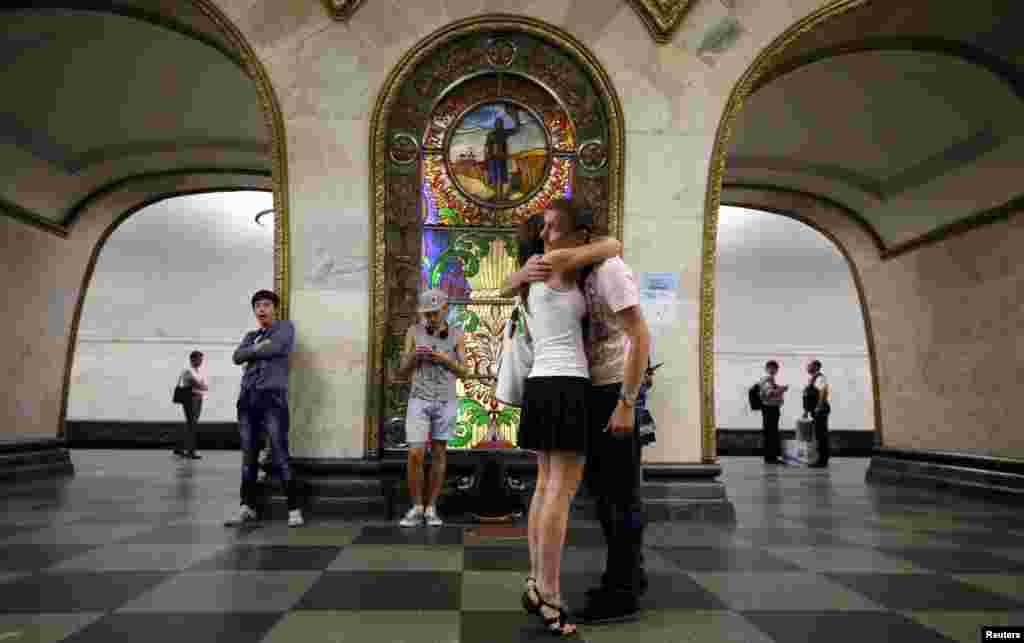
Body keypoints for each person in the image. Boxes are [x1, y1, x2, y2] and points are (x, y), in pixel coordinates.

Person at [502, 199, 622, 637]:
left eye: (554, 226)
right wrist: (582, 237)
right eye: (545, 227)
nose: (546, 233)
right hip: (566, 384)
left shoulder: (535, 269)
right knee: (560, 493)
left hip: (541, 385)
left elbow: (503, 287)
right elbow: (615, 244)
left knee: (544, 487)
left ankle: (536, 582)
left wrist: (516, 275)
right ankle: (550, 597)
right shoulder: (556, 260)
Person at [230, 289, 304, 527]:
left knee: (280, 453)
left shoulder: (285, 328)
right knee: (248, 455)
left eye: (266, 305)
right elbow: (236, 356)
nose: (261, 309)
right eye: (258, 306)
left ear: (274, 308)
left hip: (272, 397)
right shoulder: (251, 335)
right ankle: (247, 506)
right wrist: (257, 349)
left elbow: (277, 348)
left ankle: (293, 508)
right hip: (247, 397)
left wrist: (253, 352)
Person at [395, 289, 467, 527]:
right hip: (419, 398)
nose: (431, 318)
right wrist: (414, 357)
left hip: (446, 399)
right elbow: (402, 372)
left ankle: (431, 507)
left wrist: (444, 359)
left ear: (445, 309)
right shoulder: (413, 332)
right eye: (427, 314)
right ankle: (416, 506)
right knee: (415, 452)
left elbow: (464, 373)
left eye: (435, 313)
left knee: (438, 452)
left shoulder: (456, 334)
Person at [174, 351, 207, 460]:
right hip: (190, 398)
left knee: (191, 424)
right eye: (199, 359)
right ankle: (190, 451)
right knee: (192, 424)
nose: (201, 361)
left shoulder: (199, 371)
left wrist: (201, 385)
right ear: (192, 359)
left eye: (201, 359)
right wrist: (201, 385)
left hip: (198, 398)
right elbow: (196, 384)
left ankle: (181, 448)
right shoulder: (188, 370)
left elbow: (203, 385)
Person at [759, 360, 789, 464]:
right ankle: (770, 458)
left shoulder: (771, 380)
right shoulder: (766, 379)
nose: (773, 370)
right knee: (770, 433)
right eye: (771, 368)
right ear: (766, 369)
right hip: (769, 409)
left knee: (772, 433)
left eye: (775, 368)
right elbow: (769, 393)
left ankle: (771, 457)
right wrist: (782, 389)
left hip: (772, 409)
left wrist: (779, 389)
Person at [803, 359, 831, 468]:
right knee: (818, 434)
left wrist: (819, 406)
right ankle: (819, 458)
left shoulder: (820, 378)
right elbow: (809, 396)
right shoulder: (813, 379)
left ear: (815, 367)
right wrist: (806, 411)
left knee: (821, 435)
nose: (807, 367)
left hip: (820, 410)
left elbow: (824, 391)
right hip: (815, 410)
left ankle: (822, 460)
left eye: (809, 366)